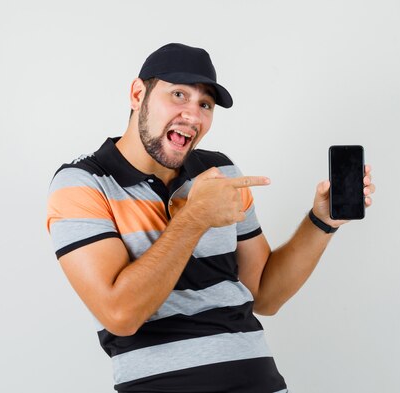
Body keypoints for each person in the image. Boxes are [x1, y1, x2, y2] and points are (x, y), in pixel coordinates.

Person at [46, 43, 375, 393]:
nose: (193, 115)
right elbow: (120, 315)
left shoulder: (221, 173)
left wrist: (322, 221)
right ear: (137, 94)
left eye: (205, 104)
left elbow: (265, 295)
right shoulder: (82, 184)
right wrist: (194, 219)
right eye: (178, 95)